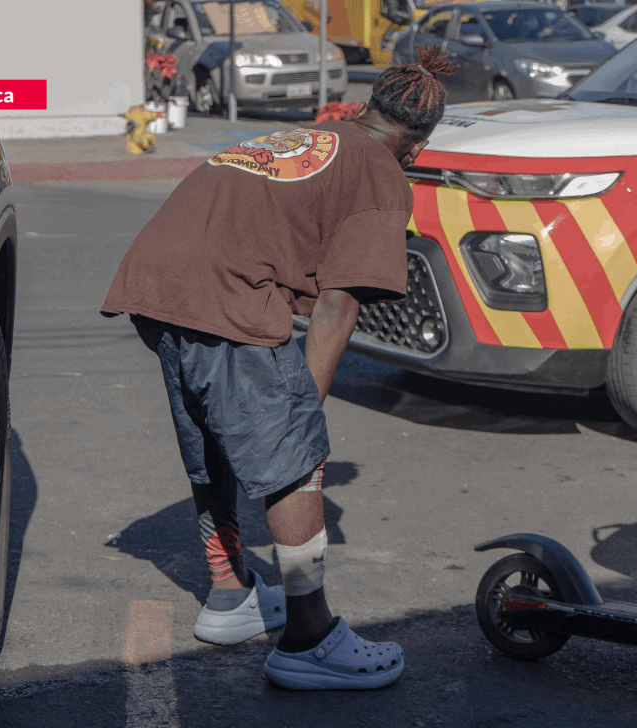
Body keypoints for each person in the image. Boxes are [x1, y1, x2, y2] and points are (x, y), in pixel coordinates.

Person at [100, 45, 457, 690]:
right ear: (417, 145)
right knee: (292, 453)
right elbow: (339, 302)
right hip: (223, 294)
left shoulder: (317, 136)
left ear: (368, 106)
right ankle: (309, 640)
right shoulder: (382, 170)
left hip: (153, 285)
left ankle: (232, 596)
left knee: (214, 442)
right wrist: (302, 416)